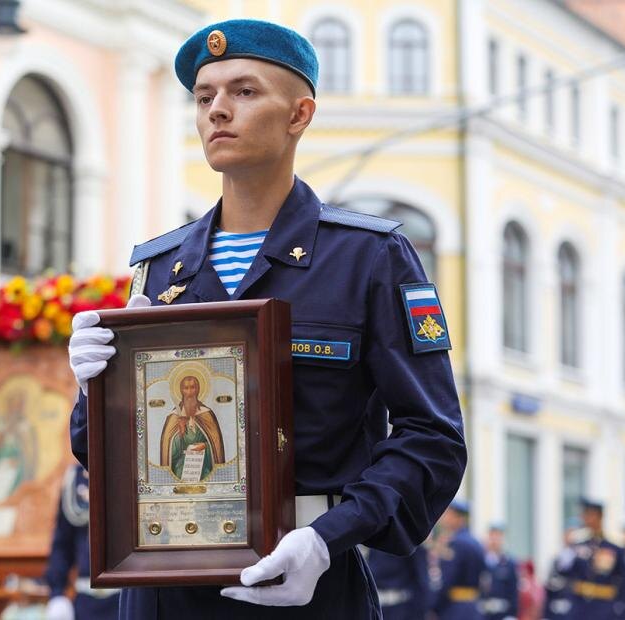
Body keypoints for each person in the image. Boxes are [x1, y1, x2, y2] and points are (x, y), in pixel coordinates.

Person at [67, 17, 467, 619]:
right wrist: (94, 393)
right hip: (162, 587)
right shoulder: (161, 268)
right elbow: (112, 457)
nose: (216, 111)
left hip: (307, 581)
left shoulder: (368, 257)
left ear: (300, 114)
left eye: (244, 92)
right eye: (204, 98)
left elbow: (432, 437)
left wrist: (326, 538)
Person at [43, 464, 120, 620]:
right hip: (86, 598)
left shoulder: (126, 473)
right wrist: (57, 593)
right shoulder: (75, 479)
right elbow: (62, 543)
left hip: (124, 595)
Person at [556, 498, 625, 620]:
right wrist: (567, 548)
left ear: (599, 516)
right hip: (579, 607)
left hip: (604, 609)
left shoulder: (613, 548)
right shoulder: (577, 546)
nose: (584, 518)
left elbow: (623, 579)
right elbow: (563, 572)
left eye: (588, 515)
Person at [159, 375, 226, 481]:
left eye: (192, 387)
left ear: (198, 389)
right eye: (186, 388)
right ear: (181, 391)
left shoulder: (206, 413)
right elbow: (169, 450)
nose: (189, 392)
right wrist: (179, 434)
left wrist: (205, 445)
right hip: (182, 464)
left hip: (203, 461)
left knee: (206, 475)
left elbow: (216, 444)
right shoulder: (174, 416)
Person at [432, 500, 486, 620]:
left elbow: (447, 579)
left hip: (455, 609)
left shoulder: (456, 544)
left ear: (459, 518)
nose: (444, 518)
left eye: (448, 514)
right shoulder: (476, 543)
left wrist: (433, 606)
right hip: (474, 608)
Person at [365, 545, 432, 619]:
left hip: (401, 607)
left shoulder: (406, 540)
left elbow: (420, 577)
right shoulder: (373, 542)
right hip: (376, 606)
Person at [543, 518, 582, 619]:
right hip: (556, 608)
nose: (568, 536)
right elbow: (549, 586)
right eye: (566, 533)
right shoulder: (557, 559)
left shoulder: (581, 559)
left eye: (571, 533)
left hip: (574, 607)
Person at [480, 523, 518, 620]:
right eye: (492, 535)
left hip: (502, 613)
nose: (494, 540)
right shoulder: (481, 560)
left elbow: (514, 591)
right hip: (484, 614)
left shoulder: (509, 563)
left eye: (498, 536)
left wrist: (512, 615)